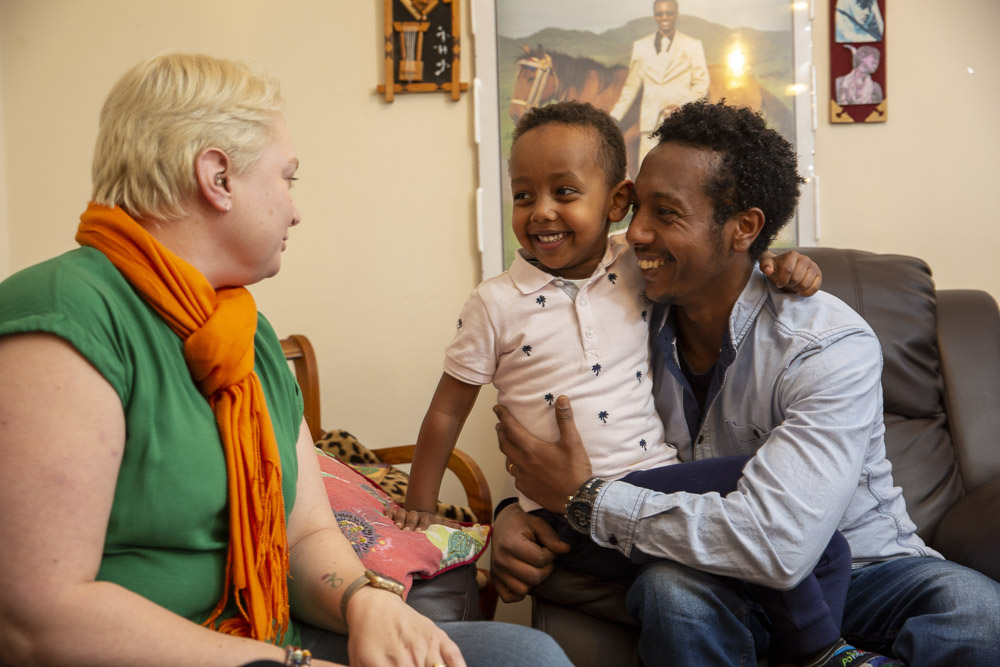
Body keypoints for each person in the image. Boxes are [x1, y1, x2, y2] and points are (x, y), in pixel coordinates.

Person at [0, 53, 572, 667]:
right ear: (217, 178)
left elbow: (305, 534)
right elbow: (37, 618)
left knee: (525, 654)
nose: (295, 208)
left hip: (262, 632)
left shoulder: (248, 333)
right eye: (287, 178)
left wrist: (363, 601)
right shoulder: (65, 313)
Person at [492, 100, 1000, 666]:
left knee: (979, 613)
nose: (634, 233)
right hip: (706, 572)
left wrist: (587, 500)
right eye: (637, 209)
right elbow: (556, 433)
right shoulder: (621, 319)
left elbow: (782, 544)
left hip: (863, 570)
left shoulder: (827, 344)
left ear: (744, 229)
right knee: (672, 590)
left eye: (666, 213)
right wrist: (514, 513)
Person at [397, 100, 886, 666]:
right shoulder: (494, 303)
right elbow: (446, 412)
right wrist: (424, 505)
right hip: (570, 515)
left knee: (810, 533)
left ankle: (814, 649)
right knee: (745, 512)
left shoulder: (630, 266)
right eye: (523, 195)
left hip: (655, 487)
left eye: (564, 192)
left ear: (615, 201)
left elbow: (719, 257)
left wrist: (783, 263)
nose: (541, 212)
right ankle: (822, 653)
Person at [609, 0, 709, 166]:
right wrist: (614, 117)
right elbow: (631, 87)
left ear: (676, 14)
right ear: (654, 16)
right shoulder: (640, 46)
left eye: (669, 13)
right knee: (646, 173)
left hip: (680, 125)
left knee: (679, 173)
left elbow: (701, 83)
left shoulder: (692, 45)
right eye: (659, 14)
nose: (664, 17)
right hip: (649, 126)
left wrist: (682, 107)